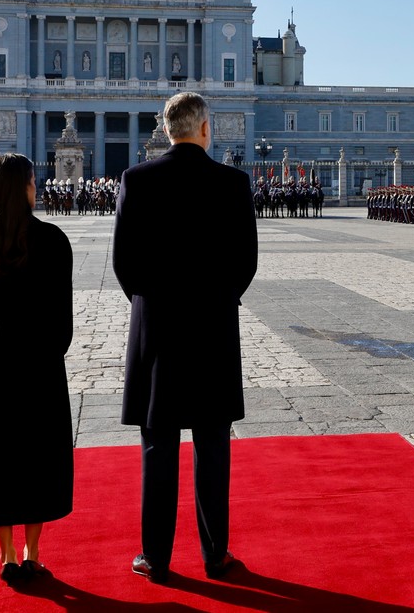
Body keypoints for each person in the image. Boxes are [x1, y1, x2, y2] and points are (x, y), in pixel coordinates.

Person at [113, 92, 258, 583]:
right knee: (213, 445)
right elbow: (246, 263)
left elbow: (123, 264)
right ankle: (216, 554)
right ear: (203, 129)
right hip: (213, 330)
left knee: (159, 446)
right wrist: (216, 300)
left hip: (156, 333)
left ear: (168, 129)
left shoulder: (136, 180)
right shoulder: (233, 183)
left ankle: (155, 556)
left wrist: (151, 302)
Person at [0, 153, 74, 586]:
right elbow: (62, 314)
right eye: (33, 180)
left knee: (0, 451)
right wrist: (52, 350)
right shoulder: (52, 239)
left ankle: (6, 554)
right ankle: (33, 551)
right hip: (40, 354)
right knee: (37, 452)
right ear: (25, 187)